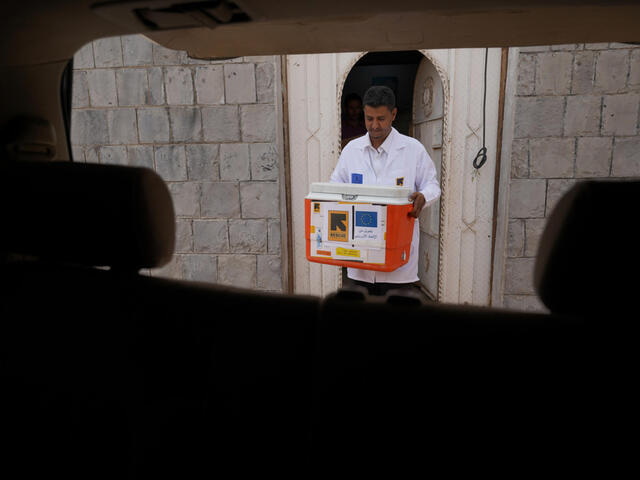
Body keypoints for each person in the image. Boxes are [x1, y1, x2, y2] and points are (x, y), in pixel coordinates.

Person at [330, 85, 441, 296]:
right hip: (359, 259)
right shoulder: (351, 151)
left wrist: (424, 196)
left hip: (399, 263)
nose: (374, 125)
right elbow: (335, 187)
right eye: (369, 118)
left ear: (394, 114)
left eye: (381, 118)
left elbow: (432, 184)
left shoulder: (413, 149)